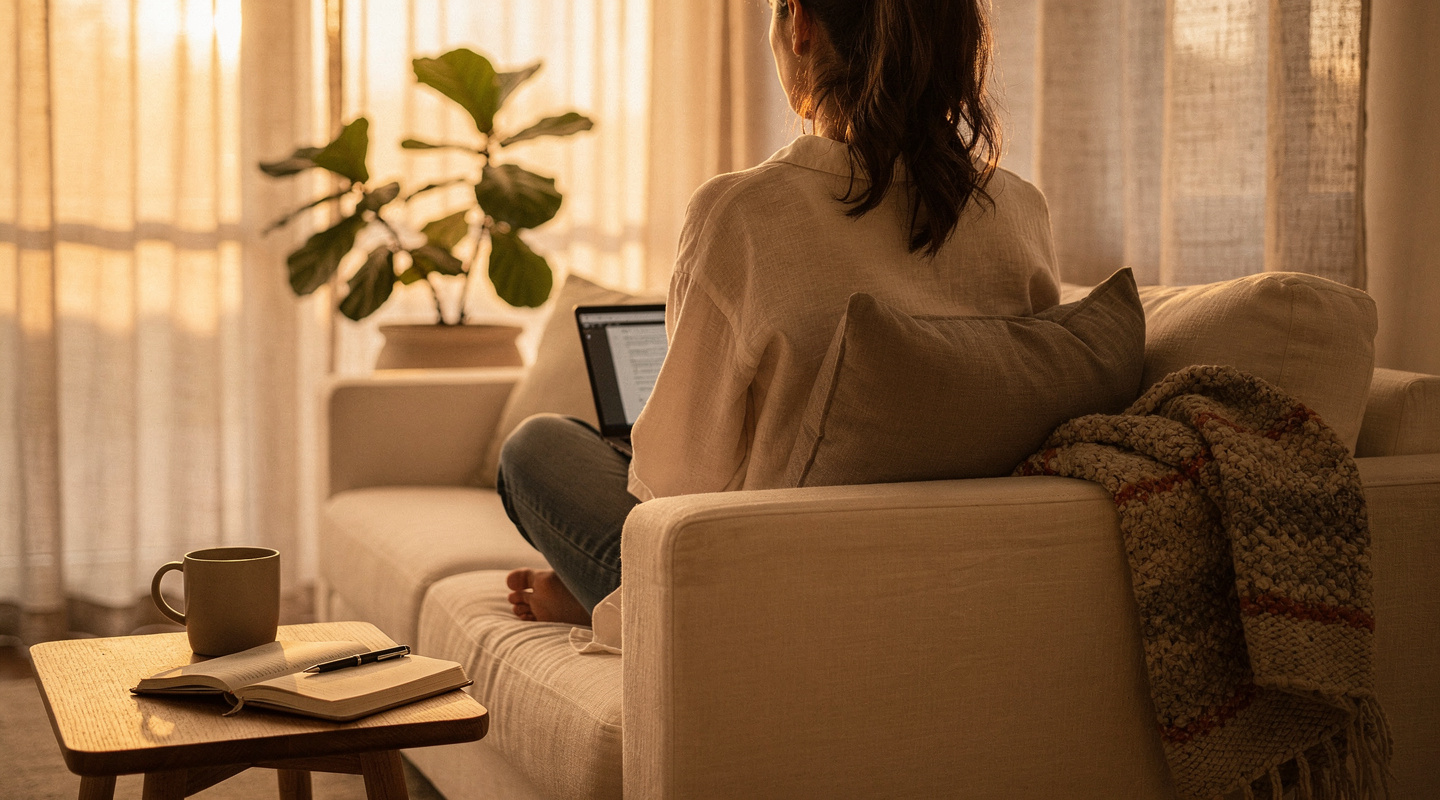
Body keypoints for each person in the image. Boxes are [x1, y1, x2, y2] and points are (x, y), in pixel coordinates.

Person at [500, 0, 1060, 625]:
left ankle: (607, 601)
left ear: (799, 23)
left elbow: (680, 485)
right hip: (957, 569)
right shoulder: (1020, 212)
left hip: (762, 582)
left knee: (537, 448)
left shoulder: (743, 212)